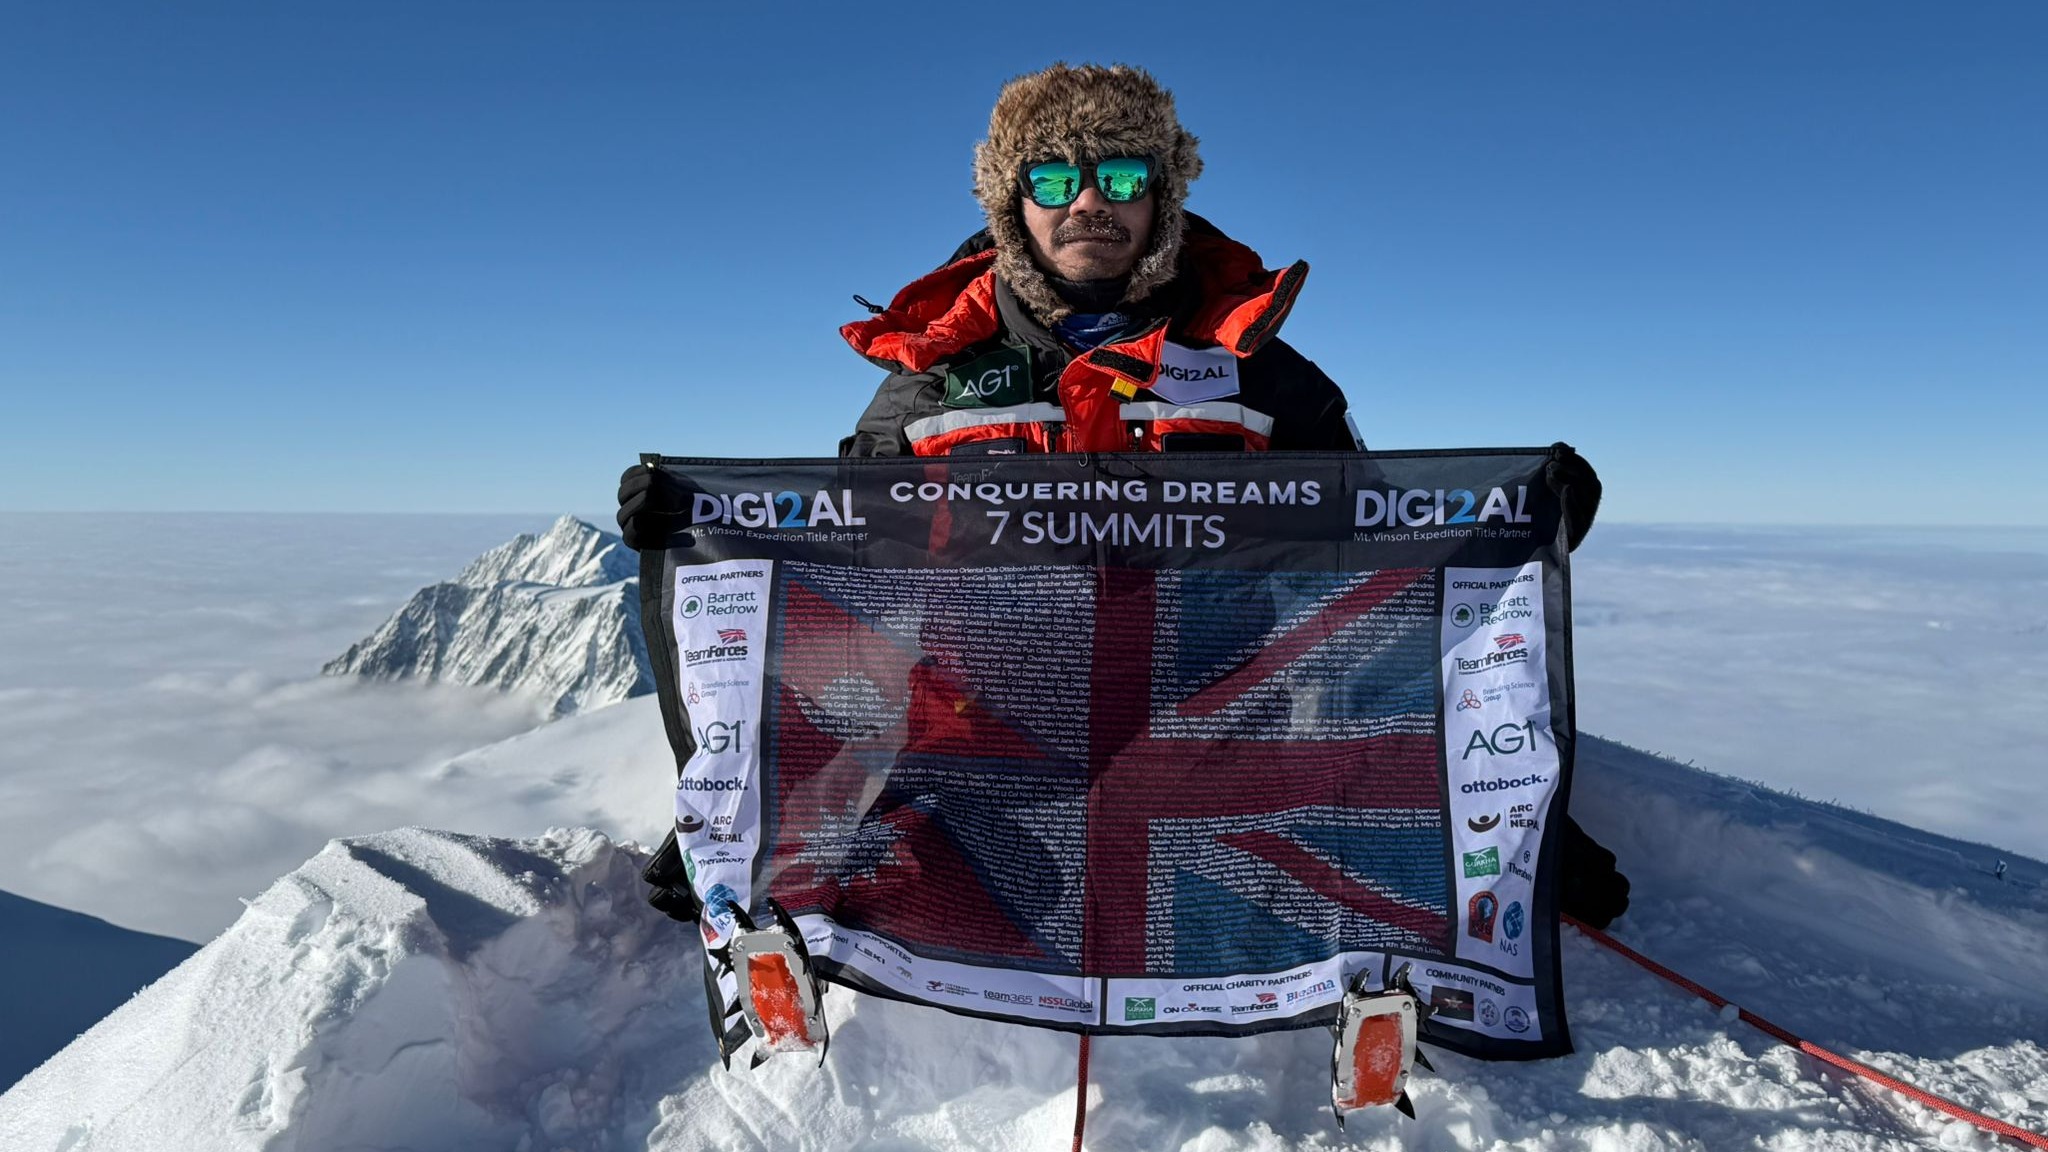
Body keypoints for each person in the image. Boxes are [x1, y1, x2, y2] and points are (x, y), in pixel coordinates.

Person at [619, 62, 1629, 929]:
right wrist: (739, 793)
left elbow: (1366, 563)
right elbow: (841, 570)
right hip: (983, 728)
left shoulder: (1258, 371)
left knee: (1335, 883)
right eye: (1052, 176)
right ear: (1011, 203)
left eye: (1119, 173)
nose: (1085, 202)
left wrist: (1512, 529)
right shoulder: (930, 380)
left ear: (1161, 196)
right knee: (889, 901)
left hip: (1214, 719)